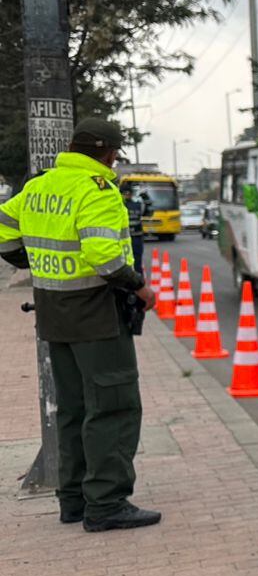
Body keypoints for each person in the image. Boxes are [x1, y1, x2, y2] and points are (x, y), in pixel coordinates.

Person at [0, 118, 161, 532]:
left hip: (54, 314)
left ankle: (72, 499)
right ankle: (106, 503)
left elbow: (3, 233)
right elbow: (105, 257)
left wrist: (32, 263)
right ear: (109, 153)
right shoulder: (97, 190)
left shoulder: (38, 187)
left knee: (73, 409)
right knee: (113, 406)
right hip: (97, 315)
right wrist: (140, 288)